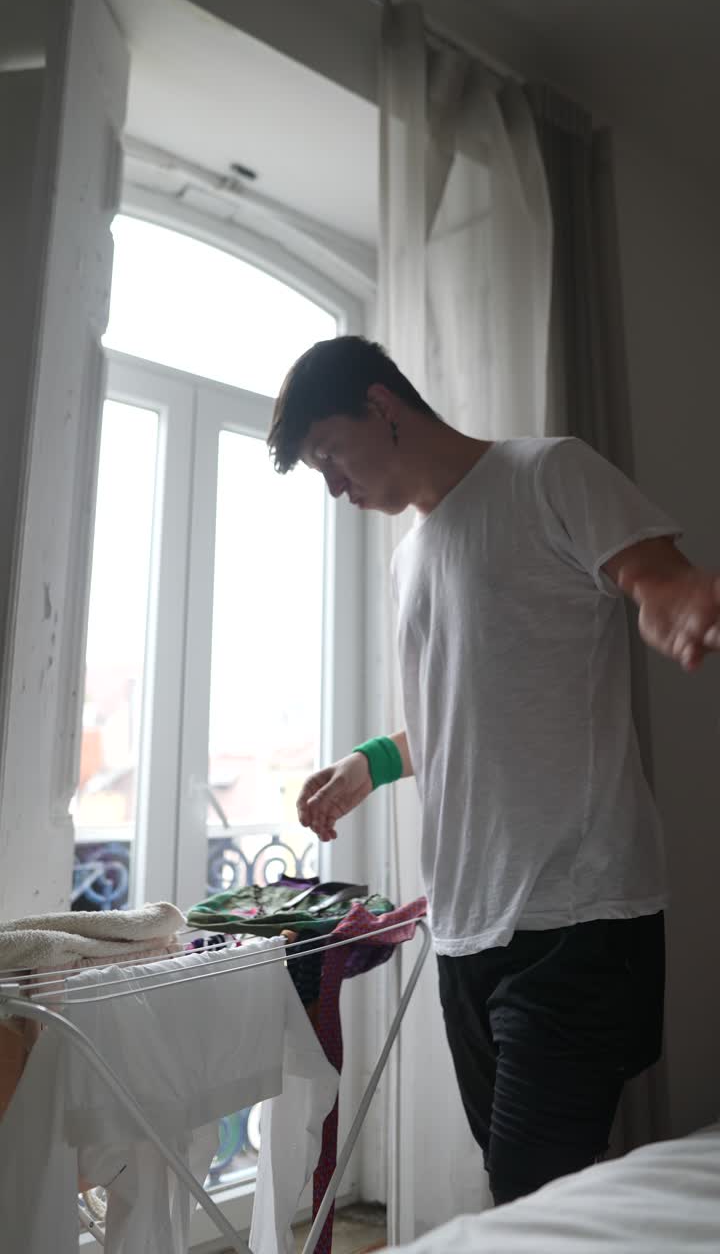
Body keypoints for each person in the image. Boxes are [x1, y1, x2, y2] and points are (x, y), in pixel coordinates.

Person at [267, 334, 720, 1206]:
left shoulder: (548, 474)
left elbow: (649, 571)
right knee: (531, 1205)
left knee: (526, 1203)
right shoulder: (411, 557)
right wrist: (372, 764)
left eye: (331, 455)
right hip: (466, 928)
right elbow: (461, 708)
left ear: (382, 406)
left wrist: (668, 596)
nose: (333, 486)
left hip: (578, 918)